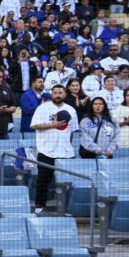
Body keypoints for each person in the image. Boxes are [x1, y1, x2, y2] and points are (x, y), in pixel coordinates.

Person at [31, 84, 79, 214]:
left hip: (66, 152)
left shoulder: (71, 110)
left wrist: (67, 145)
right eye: (55, 92)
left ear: (65, 94)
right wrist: (52, 125)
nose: (58, 95)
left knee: (69, 183)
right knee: (43, 181)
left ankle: (68, 208)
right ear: (52, 94)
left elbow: (72, 131)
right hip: (46, 151)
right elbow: (34, 126)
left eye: (60, 92)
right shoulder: (42, 108)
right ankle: (40, 206)